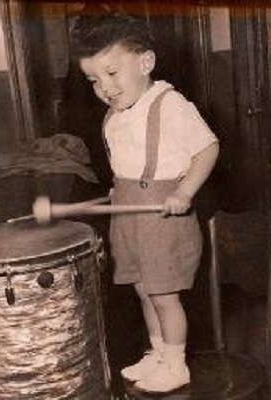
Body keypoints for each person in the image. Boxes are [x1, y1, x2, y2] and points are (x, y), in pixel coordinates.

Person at [71, 13, 219, 394]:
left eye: (112, 73)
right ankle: (158, 353)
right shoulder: (116, 115)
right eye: (94, 80)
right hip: (130, 215)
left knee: (164, 295)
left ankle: (176, 364)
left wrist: (184, 193)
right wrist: (119, 192)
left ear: (146, 62)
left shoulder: (170, 104)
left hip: (162, 216)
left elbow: (208, 148)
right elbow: (128, 167)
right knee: (142, 289)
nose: (105, 87)